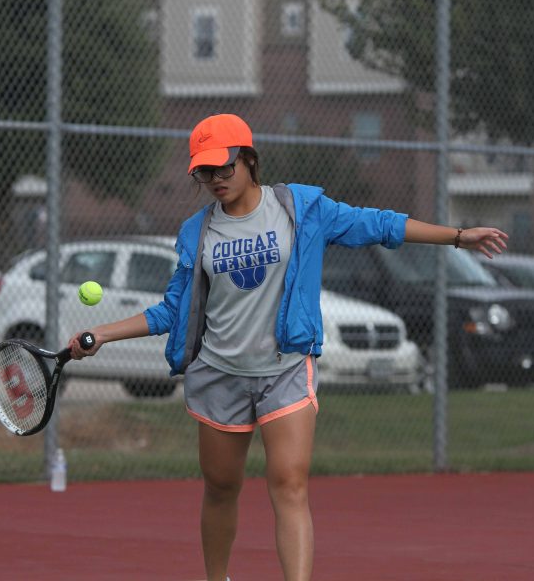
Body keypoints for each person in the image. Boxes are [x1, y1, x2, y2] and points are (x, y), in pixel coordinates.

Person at [67, 113, 508, 581]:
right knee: (220, 487)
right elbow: (172, 312)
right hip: (219, 374)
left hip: (286, 369)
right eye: (204, 171)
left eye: (224, 167)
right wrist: (102, 335)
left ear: (249, 159)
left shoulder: (301, 208)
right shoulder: (196, 234)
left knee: (290, 484)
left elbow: (379, 225)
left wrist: (458, 237)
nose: (215, 179)